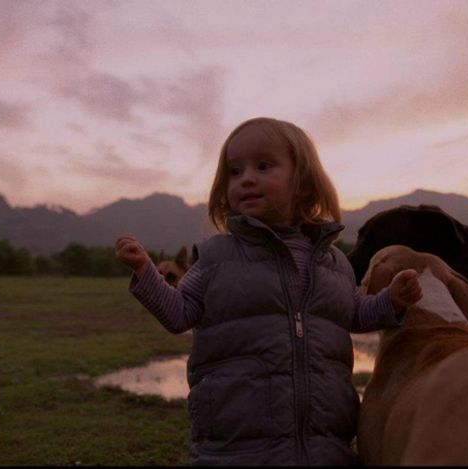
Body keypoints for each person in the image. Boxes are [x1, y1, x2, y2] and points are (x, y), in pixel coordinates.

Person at [115, 117, 422, 465]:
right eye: (234, 171)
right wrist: (145, 271)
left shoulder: (334, 262)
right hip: (236, 448)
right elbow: (177, 313)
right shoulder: (216, 258)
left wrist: (391, 300)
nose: (246, 178)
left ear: (304, 183)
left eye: (263, 166)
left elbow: (354, 314)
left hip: (325, 447)